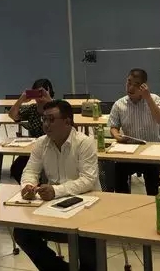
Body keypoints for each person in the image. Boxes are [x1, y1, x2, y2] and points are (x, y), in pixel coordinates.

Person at [13, 100, 99, 271]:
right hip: (53, 207)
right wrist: (28, 185)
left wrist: (55, 190)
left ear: (67, 121)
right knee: (22, 233)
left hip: (86, 205)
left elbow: (88, 180)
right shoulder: (41, 143)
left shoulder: (85, 143)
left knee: (87, 241)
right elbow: (30, 171)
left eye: (51, 120)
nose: (46, 124)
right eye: (44, 119)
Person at [108, 68, 160, 195]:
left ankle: (154, 202)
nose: (131, 87)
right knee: (118, 170)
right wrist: (117, 136)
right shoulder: (119, 104)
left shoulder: (155, 99)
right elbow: (113, 126)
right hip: (129, 151)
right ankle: (123, 202)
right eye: (129, 82)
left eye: (136, 84)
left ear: (143, 86)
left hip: (151, 152)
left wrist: (148, 98)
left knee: (152, 177)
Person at [7, 78, 54, 183]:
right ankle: (32, 186)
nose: (40, 98)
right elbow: (12, 115)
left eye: (42, 93)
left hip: (53, 147)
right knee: (16, 168)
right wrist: (21, 99)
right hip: (35, 149)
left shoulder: (56, 108)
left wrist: (49, 100)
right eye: (36, 93)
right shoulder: (32, 109)